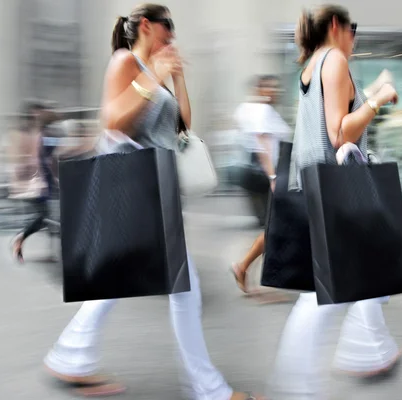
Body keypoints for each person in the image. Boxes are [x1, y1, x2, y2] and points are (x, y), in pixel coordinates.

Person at [42, 5, 263, 399]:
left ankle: (70, 357)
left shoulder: (155, 73)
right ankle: (209, 390)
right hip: (135, 187)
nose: (171, 38)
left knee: (124, 282)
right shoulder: (124, 61)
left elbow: (182, 130)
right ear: (146, 25)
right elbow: (112, 120)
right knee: (185, 289)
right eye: (168, 29)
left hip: (152, 188)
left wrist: (176, 80)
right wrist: (154, 78)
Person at [266, 5, 402, 398]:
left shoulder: (312, 65)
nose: (355, 37)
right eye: (353, 28)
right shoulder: (335, 59)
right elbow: (340, 133)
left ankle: (366, 351)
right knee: (322, 298)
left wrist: (372, 93)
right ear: (335, 26)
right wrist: (378, 101)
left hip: (315, 184)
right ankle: (296, 387)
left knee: (362, 275)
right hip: (335, 189)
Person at [231, 75, 291, 294]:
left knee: (275, 228)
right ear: (259, 89)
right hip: (269, 176)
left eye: (275, 87)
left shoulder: (253, 110)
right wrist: (273, 177)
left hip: (266, 176)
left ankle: (244, 268)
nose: (274, 91)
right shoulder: (262, 112)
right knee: (275, 229)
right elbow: (262, 143)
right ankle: (244, 267)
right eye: (268, 87)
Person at [11, 104, 61, 262]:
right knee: (44, 217)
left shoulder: (40, 134)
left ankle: (51, 251)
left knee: (47, 217)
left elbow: (44, 158)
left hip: (43, 181)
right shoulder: (46, 135)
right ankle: (21, 238)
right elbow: (48, 160)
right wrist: (52, 178)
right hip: (44, 183)